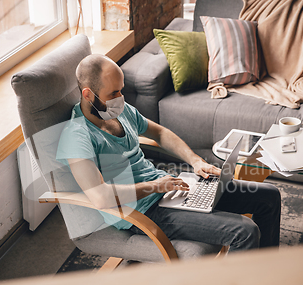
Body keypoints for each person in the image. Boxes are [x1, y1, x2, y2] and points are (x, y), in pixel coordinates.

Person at [56, 54, 281, 251]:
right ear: (88, 95)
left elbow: (161, 134)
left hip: (167, 190)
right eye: (114, 92)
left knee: (268, 196)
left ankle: (262, 270)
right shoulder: (77, 137)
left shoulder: (118, 111)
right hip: (143, 212)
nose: (120, 98)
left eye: (121, 90)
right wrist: (156, 186)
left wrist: (195, 161)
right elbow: (101, 197)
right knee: (245, 231)